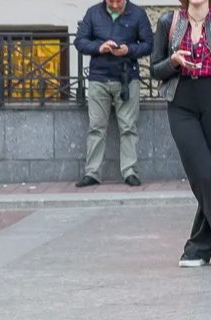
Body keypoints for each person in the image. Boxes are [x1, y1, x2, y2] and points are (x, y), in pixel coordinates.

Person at [152, 0, 211, 268]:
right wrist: (172, 61)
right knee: (202, 175)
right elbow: (154, 69)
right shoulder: (168, 22)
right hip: (181, 102)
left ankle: (197, 248)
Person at [72, 0, 154, 188]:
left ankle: (130, 172)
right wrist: (99, 47)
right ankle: (92, 173)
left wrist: (129, 50)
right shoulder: (93, 13)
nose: (115, 5)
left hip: (127, 77)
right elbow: (80, 41)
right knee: (96, 128)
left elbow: (149, 44)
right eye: (111, 1)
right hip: (99, 77)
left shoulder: (137, 14)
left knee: (128, 127)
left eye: (119, 1)